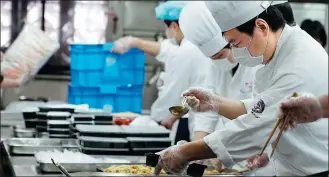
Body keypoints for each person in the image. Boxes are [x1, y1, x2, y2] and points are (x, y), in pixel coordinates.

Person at [153, 1, 328, 176]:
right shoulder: (278, 49)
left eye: (235, 43)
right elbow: (263, 108)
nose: (235, 52)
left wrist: (185, 153)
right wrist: (217, 104)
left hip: (314, 171)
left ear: (262, 27)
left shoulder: (298, 65)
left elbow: (255, 129)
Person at [178, 2, 272, 176]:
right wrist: (196, 151)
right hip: (230, 157)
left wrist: (212, 148)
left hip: (261, 158)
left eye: (220, 55)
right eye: (213, 57)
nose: (218, 61)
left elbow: (258, 116)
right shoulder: (215, 67)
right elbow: (208, 109)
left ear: (231, 42)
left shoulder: (258, 61)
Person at [111, 1, 213, 144]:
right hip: (201, 119)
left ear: (174, 26)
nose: (167, 34)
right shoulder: (193, 44)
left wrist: (158, 118)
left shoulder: (187, 50)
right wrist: (133, 41)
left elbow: (174, 91)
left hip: (205, 121)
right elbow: (165, 50)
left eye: (166, 28)